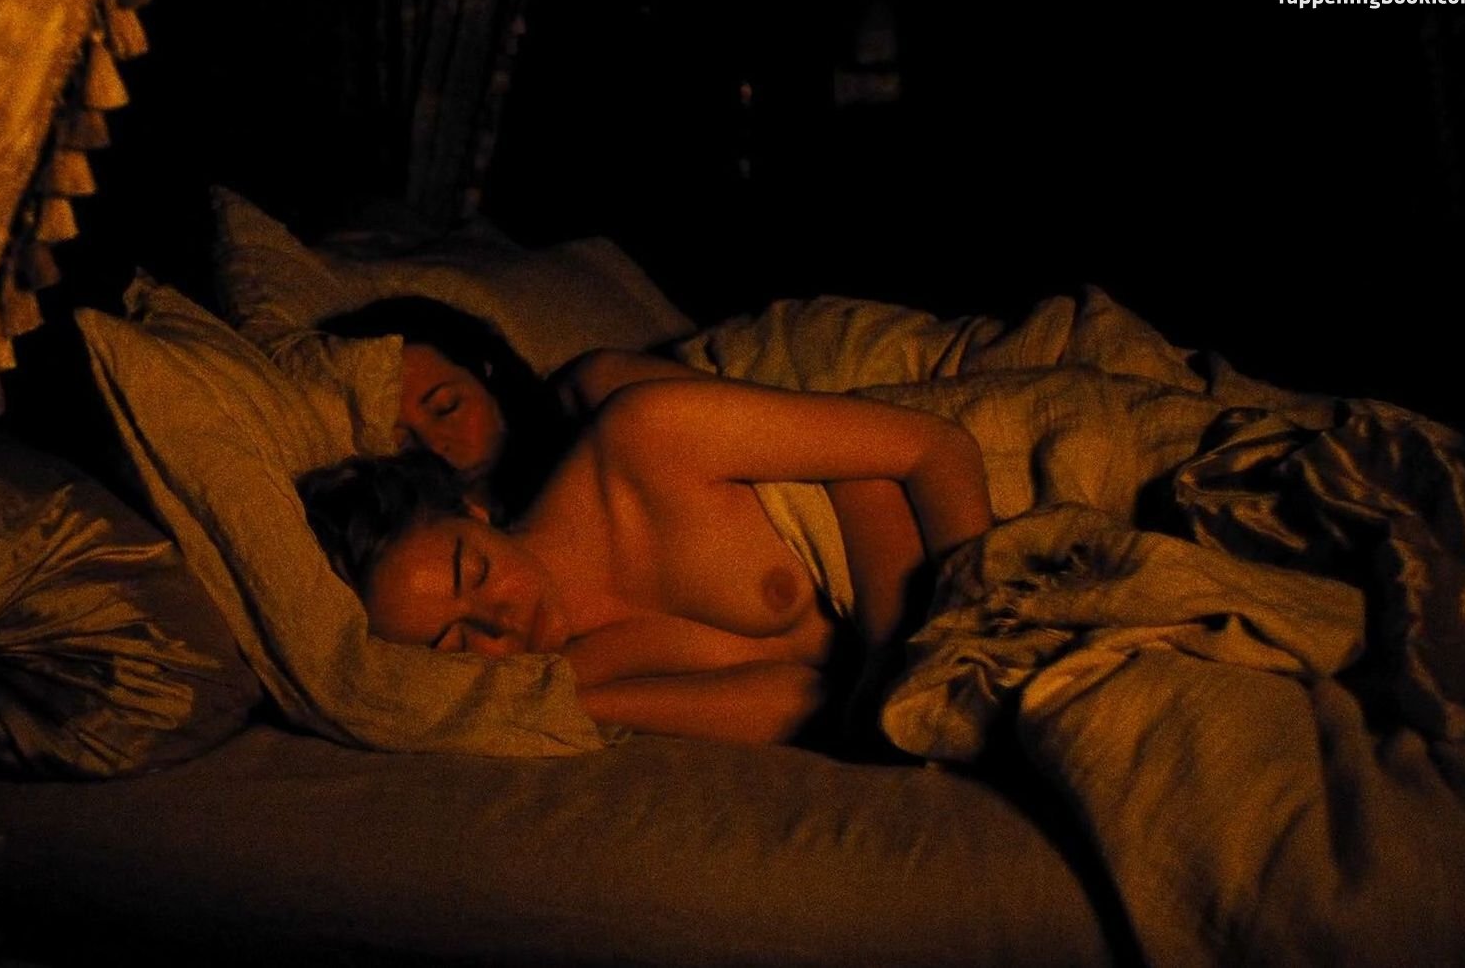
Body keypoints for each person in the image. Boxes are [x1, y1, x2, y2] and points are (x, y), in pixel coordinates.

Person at [299, 376, 993, 745]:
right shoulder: (573, 672)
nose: (499, 620)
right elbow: (803, 702)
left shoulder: (643, 438)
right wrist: (577, 704)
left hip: (975, 510)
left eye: (474, 571)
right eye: (454, 643)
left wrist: (944, 645)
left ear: (473, 512)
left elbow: (935, 447)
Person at [318, 297, 571, 520]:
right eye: (402, 442)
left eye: (446, 408)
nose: (435, 447)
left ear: (487, 374)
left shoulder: (580, 433)